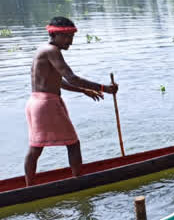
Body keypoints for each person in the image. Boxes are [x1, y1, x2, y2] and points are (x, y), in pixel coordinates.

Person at [25, 16, 118, 186]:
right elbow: (72, 77)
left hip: (36, 102)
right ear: (54, 35)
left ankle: (28, 188)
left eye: (72, 37)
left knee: (36, 147)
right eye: (67, 37)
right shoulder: (52, 51)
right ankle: (78, 183)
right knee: (73, 144)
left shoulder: (43, 50)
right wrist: (104, 88)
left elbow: (58, 81)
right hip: (47, 104)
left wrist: (83, 90)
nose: (70, 41)